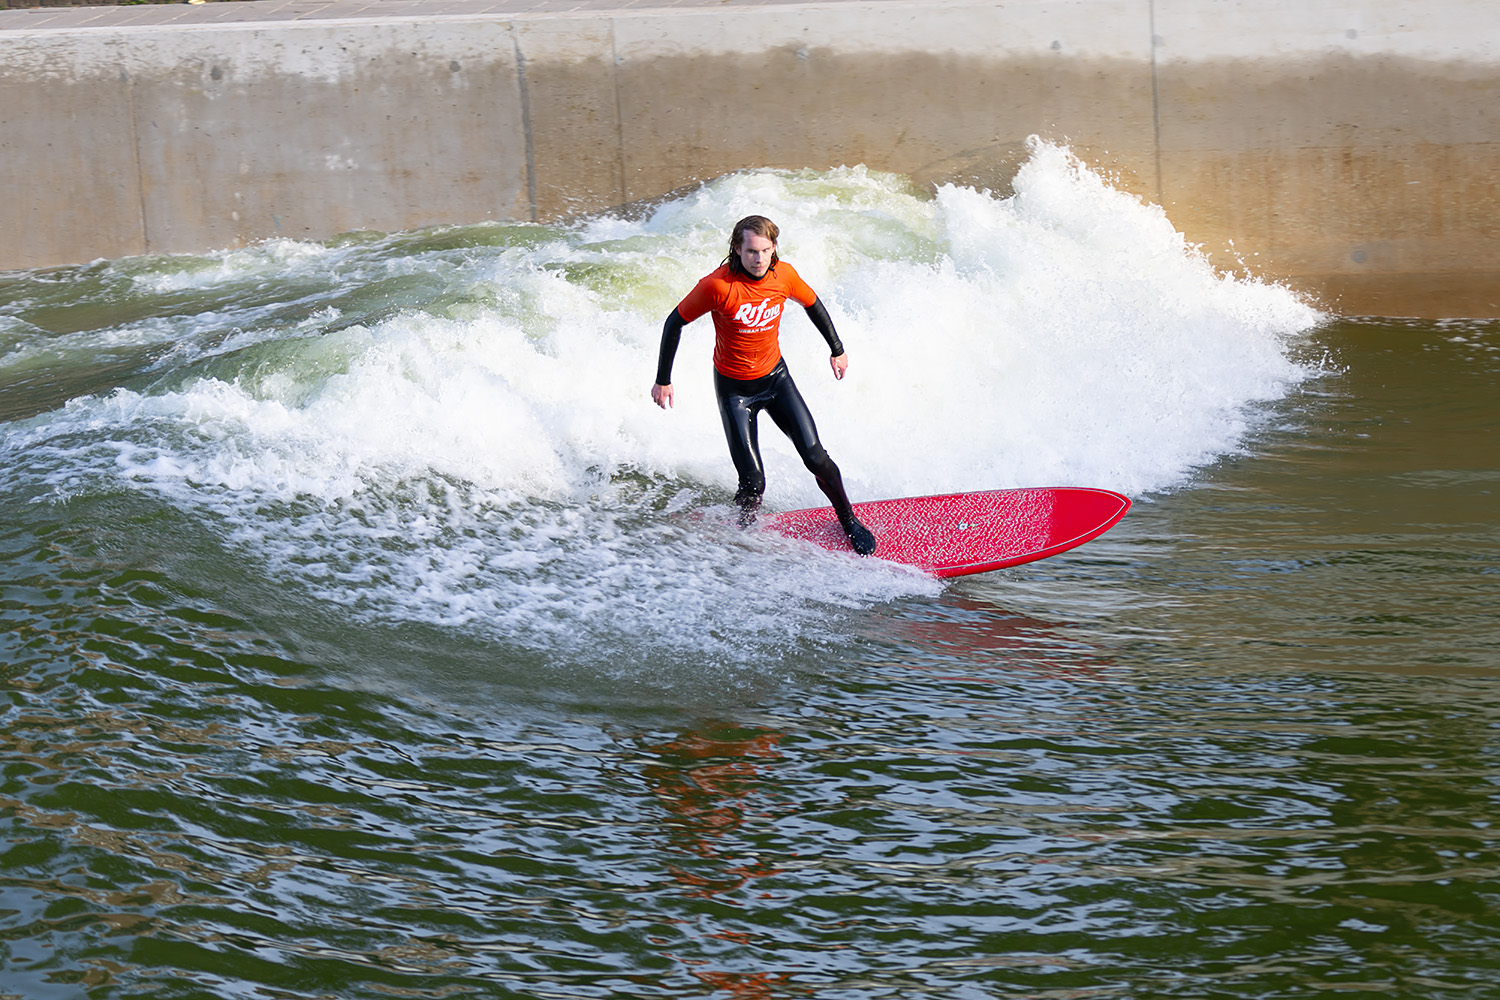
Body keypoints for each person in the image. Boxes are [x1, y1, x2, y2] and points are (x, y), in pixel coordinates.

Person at [651, 215, 876, 556]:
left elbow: (813, 304)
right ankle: (744, 531)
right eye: (751, 252)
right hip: (734, 392)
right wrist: (663, 379)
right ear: (737, 250)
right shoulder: (717, 286)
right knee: (754, 483)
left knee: (816, 457)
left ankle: (848, 519)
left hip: (776, 380)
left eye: (765, 251)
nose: (759, 259)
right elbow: (674, 322)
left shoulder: (784, 275)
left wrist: (837, 349)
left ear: (773, 248)